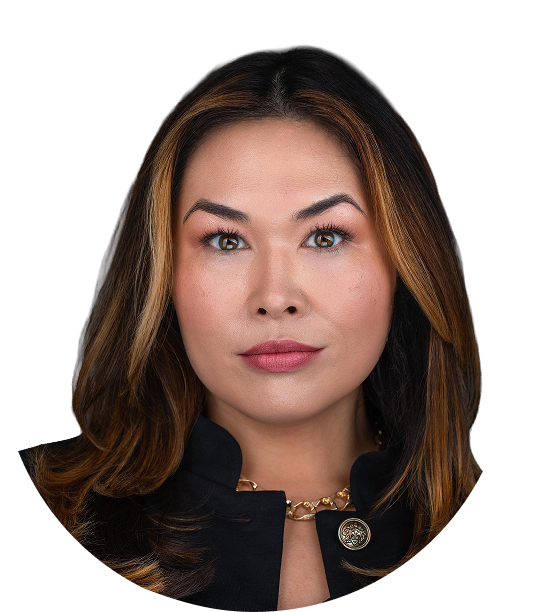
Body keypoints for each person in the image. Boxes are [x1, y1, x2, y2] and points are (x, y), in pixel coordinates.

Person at [18, 45, 497, 611]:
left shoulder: (511, 528)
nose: (275, 298)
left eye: (325, 237)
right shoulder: (34, 522)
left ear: (405, 261)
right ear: (162, 273)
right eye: (226, 240)